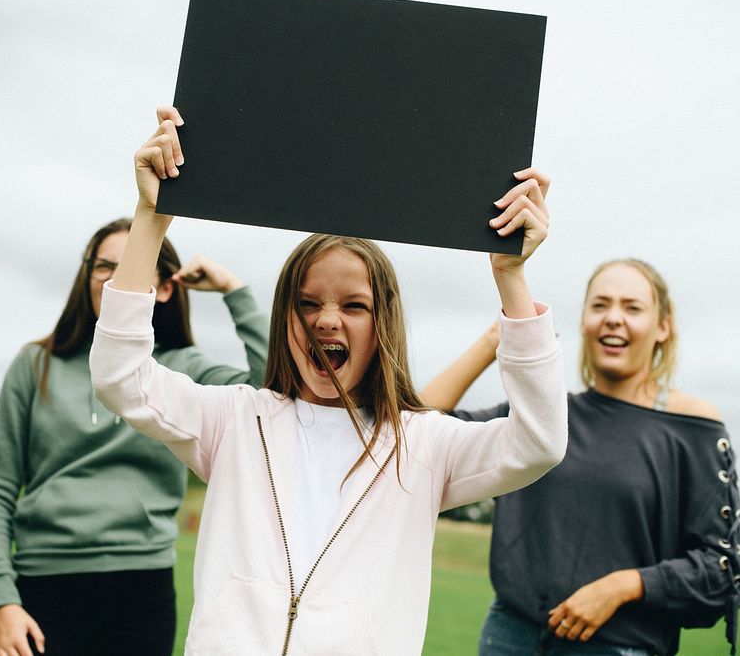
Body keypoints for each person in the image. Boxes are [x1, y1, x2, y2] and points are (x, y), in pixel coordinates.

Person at [87, 107, 567, 655]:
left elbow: (539, 442)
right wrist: (150, 219)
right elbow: (121, 378)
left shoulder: (425, 444)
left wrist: (511, 276)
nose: (326, 319)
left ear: (383, 323)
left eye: (354, 305)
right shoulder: (234, 420)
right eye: (307, 302)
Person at [0, 217, 269, 656]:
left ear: (165, 287)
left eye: (133, 264)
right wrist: (2, 600)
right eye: (102, 266)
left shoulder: (182, 367)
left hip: (142, 594)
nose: (115, 279)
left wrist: (235, 290)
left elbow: (267, 393)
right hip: (41, 590)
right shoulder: (35, 364)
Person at [421, 258, 738, 655]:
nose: (613, 318)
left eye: (632, 307)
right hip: (508, 635)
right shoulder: (545, 416)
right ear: (584, 320)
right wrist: (500, 337)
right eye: (600, 305)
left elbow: (719, 569)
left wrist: (623, 586)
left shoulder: (693, 429)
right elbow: (421, 428)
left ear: (663, 326)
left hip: (619, 646)